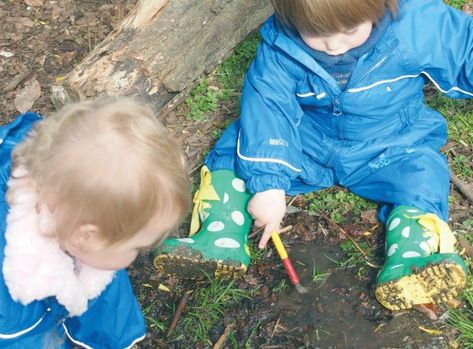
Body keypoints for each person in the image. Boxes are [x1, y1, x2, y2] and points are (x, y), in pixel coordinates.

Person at [154, 0, 471, 310]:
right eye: (315, 32)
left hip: (389, 144)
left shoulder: (415, 21)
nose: (333, 45)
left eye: (349, 30)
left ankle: (412, 257)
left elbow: (463, 47)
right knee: (238, 144)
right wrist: (269, 184)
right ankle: (220, 236)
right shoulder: (281, 46)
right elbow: (269, 108)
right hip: (309, 142)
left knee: (423, 172)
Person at [0, 98, 191, 348]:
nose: (142, 251)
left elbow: (106, 295)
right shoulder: (13, 282)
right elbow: (18, 338)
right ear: (87, 236)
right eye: (135, 247)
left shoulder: (84, 202)